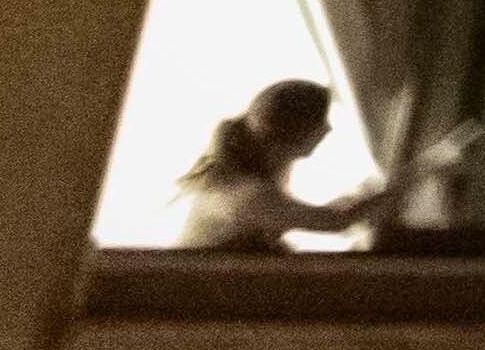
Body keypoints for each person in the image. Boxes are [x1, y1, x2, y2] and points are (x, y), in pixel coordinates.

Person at [169, 81, 419, 251]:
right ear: (294, 133)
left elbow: (323, 215)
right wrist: (417, 175)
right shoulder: (251, 194)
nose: (328, 128)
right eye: (322, 121)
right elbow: (335, 221)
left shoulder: (251, 180)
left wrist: (370, 195)